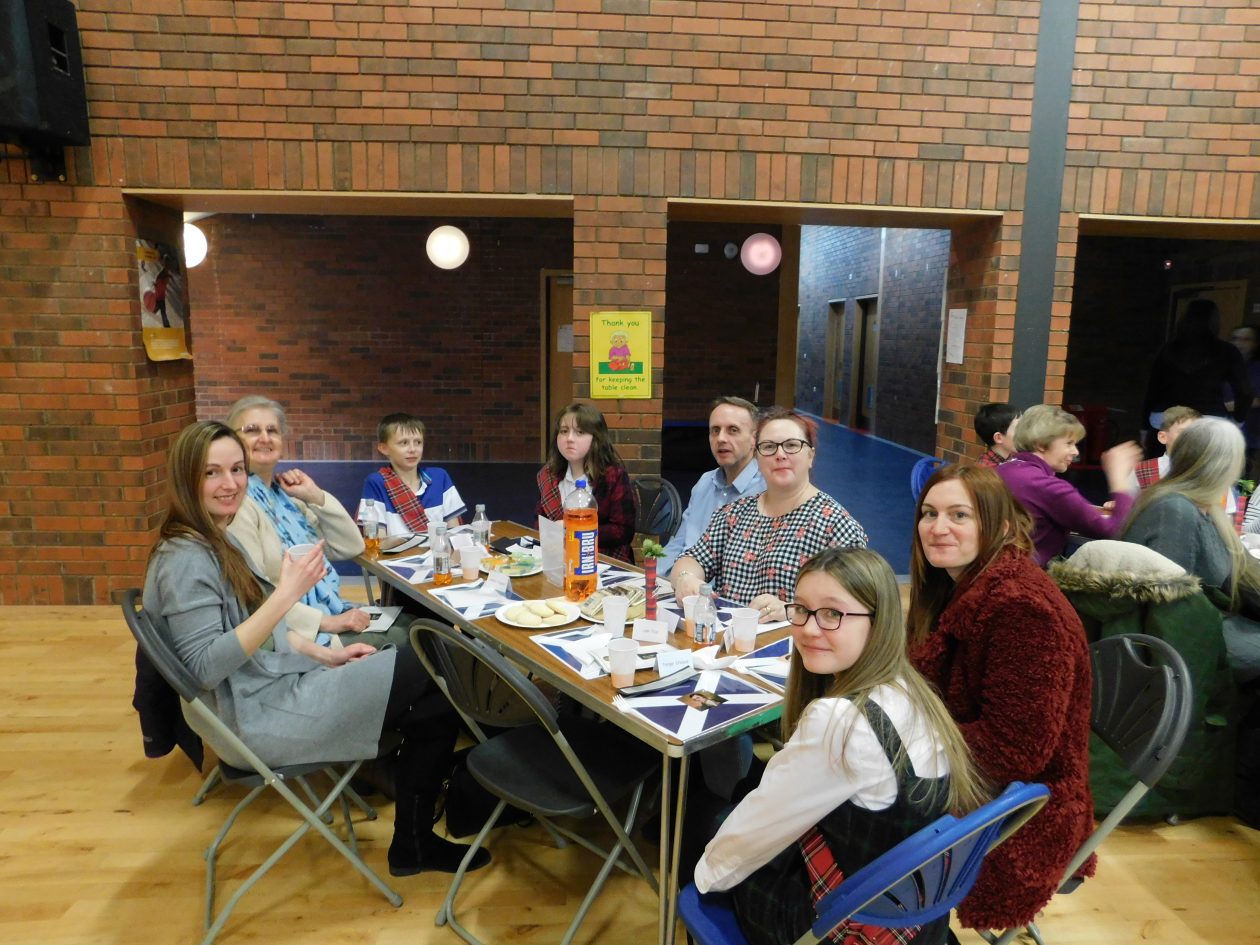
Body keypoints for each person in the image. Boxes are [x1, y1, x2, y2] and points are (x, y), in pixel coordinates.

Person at [142, 421, 489, 877]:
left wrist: (327, 655)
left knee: (433, 691)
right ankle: (429, 826)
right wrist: (286, 595)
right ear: (185, 477)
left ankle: (415, 839)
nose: (229, 484)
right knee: (436, 658)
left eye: (236, 470)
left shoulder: (212, 537)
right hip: (255, 718)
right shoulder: (185, 559)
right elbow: (205, 667)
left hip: (267, 689)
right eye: (211, 473)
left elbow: (261, 635)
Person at [693, 547, 988, 945]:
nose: (809, 628)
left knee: (703, 819)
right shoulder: (912, 690)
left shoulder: (839, 722)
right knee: (746, 792)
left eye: (833, 613)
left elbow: (744, 840)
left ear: (877, 622)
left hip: (837, 928)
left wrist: (704, 875)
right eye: (801, 609)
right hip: (915, 926)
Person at [907, 464, 1094, 933]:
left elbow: (1014, 750)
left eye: (959, 515)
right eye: (929, 513)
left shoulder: (1022, 609)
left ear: (1001, 526)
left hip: (1025, 806)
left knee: (855, 806)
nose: (938, 527)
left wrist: (900, 741)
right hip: (981, 776)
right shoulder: (963, 585)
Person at [224, 396, 412, 650]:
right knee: (417, 638)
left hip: (329, 610)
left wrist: (315, 495)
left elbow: (351, 546)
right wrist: (328, 622)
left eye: (272, 430)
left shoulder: (287, 499)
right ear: (232, 441)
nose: (265, 438)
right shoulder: (238, 505)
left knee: (419, 623)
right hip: (297, 635)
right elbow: (254, 595)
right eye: (252, 430)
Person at [670, 407, 868, 622]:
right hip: (729, 638)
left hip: (796, 640)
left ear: (810, 456)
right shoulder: (734, 513)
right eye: (769, 447)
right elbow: (692, 559)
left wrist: (793, 610)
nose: (780, 455)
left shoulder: (836, 525)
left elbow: (852, 604)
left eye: (792, 445)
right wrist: (686, 578)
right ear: (757, 457)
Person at [1122, 416, 1260, 680]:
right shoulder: (1175, 510)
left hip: (1205, 619)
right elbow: (1168, 609)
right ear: (1224, 465)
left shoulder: (1204, 508)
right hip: (1181, 640)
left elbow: (1242, 572)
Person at [995, 404, 1141, 565]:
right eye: (1069, 443)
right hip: (1023, 573)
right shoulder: (1047, 486)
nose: (1075, 451)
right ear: (1041, 444)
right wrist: (1119, 479)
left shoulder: (1003, 469)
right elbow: (1113, 531)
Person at [659, 396, 766, 573]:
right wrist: (653, 579)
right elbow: (679, 543)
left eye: (733, 430)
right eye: (715, 430)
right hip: (681, 582)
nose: (721, 438)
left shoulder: (767, 490)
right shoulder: (705, 482)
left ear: (754, 439)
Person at [536, 402, 636, 563]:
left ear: (596, 438)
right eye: (564, 431)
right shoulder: (548, 475)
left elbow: (623, 531)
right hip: (557, 559)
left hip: (604, 560)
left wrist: (575, 530)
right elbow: (539, 522)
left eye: (580, 432)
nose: (569, 439)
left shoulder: (613, 476)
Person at [1142, 297, 1251, 432]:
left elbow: (1152, 390)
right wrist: (1238, 420)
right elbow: (1245, 391)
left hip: (1165, 417)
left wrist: (1144, 427)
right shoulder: (1227, 351)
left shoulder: (1168, 349)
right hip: (1209, 418)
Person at [359, 413, 467, 537]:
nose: (413, 449)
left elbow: (455, 533)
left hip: (438, 549)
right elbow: (377, 541)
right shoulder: (376, 482)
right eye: (404, 443)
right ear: (384, 448)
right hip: (397, 551)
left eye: (418, 442)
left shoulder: (440, 477)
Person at [1134, 405, 1201, 488]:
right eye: (1183, 433)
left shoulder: (1210, 469)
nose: (1192, 437)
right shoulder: (1142, 471)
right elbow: (1126, 496)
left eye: (1197, 432)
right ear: (1163, 437)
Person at [1229, 324, 1260, 481]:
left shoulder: (1257, 368)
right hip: (1223, 429)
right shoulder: (1225, 364)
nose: (1239, 343)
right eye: (1236, 339)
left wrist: (1232, 405)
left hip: (1250, 430)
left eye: (1246, 339)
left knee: (1244, 478)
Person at [974, 402, 1020, 468]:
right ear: (998, 438)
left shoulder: (1016, 457)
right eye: (1018, 428)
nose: (1023, 432)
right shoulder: (986, 469)